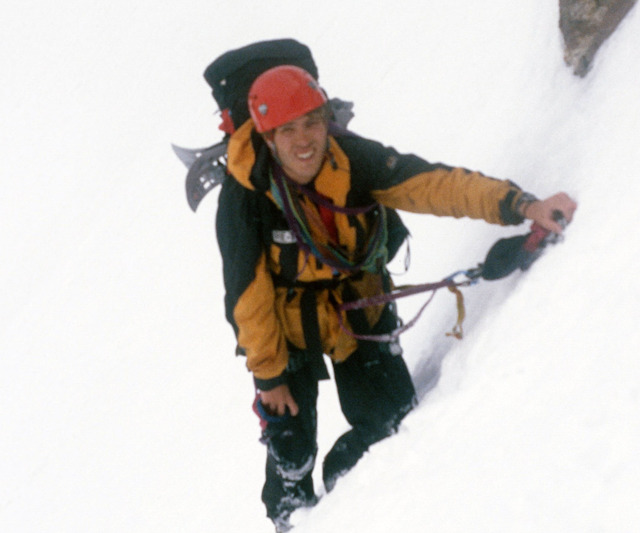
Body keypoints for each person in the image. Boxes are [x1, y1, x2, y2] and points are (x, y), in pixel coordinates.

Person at [215, 65, 577, 532]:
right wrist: (269, 378)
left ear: (326, 120)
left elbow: (432, 185)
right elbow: (248, 295)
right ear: (267, 137)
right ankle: (292, 521)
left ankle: (352, 505)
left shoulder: (352, 158)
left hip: (358, 302)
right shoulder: (244, 196)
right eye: (288, 130)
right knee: (291, 454)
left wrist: (522, 206)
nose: (304, 140)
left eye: (312, 123)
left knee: (391, 428)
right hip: (285, 328)